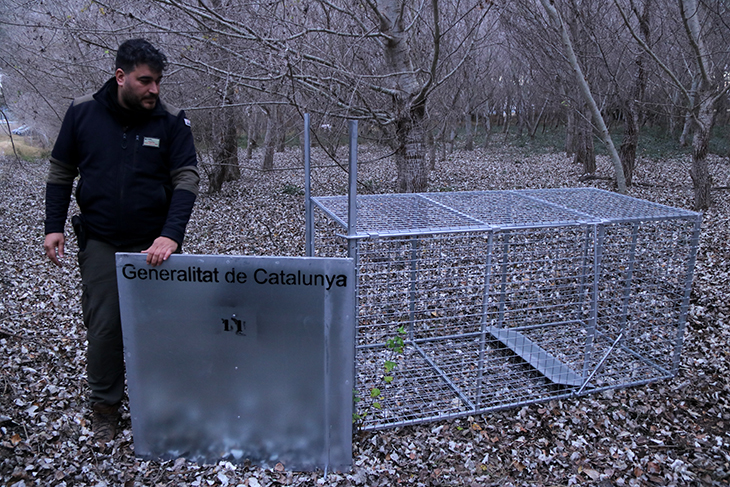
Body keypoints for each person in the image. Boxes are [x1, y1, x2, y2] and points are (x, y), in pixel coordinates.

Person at [43, 39, 200, 449]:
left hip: (157, 244)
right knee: (106, 327)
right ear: (120, 76)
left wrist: (171, 234)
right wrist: (53, 225)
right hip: (101, 240)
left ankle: (164, 407)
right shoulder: (82, 114)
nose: (154, 90)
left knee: (163, 329)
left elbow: (186, 179)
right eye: (145, 81)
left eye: (158, 82)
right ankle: (105, 411)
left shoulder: (171, 122)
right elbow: (61, 171)